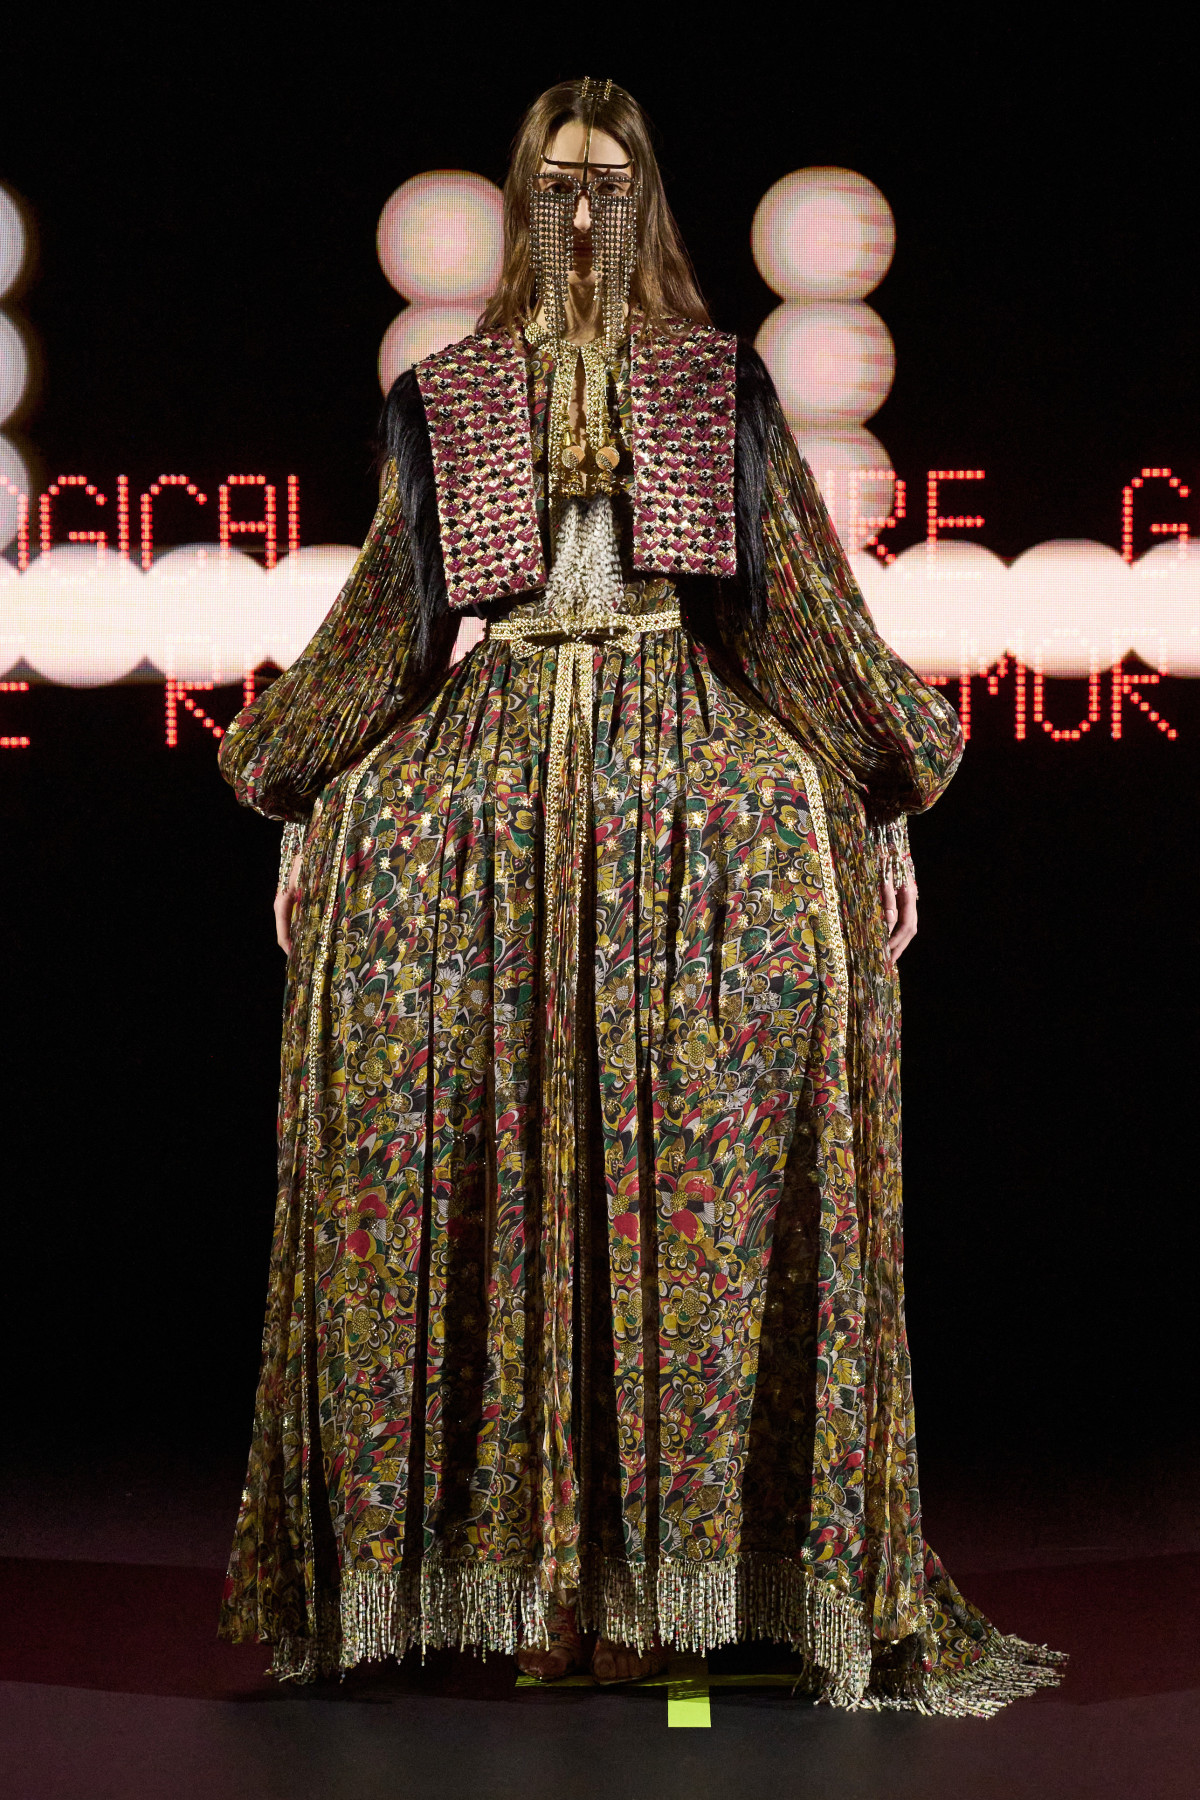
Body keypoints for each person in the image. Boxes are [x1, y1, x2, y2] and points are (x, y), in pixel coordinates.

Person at [218, 76, 1063, 1713]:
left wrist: (883, 796)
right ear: (520, 200)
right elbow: (392, 614)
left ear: (649, 196)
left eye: (610, 184)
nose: (584, 215)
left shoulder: (709, 380)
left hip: (682, 767)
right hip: (493, 768)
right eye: (555, 185)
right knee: (468, 1124)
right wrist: (305, 792)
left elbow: (795, 606)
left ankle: (682, 1588)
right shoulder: (454, 393)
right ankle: (509, 1584)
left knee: (698, 1143)